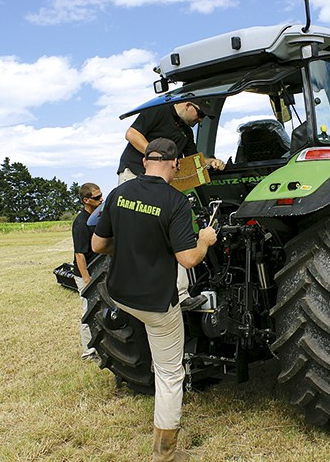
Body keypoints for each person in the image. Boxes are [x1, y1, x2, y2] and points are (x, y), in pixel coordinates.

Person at [93, 138, 218, 461]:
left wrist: (132, 252)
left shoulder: (118, 194)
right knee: (169, 374)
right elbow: (189, 259)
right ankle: (165, 454)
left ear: (146, 161)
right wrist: (204, 240)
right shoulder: (176, 201)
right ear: (175, 164)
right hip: (156, 304)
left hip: (121, 294)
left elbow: (97, 245)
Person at [117, 100, 225, 311]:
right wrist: (159, 158)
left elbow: (194, 159)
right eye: (200, 114)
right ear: (187, 105)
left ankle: (180, 296)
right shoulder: (158, 111)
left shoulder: (186, 132)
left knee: (170, 231)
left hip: (160, 184)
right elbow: (131, 134)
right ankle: (128, 289)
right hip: (134, 175)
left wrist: (211, 161)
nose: (200, 120)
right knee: (134, 233)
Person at [72, 182, 103, 360]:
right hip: (86, 272)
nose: (101, 199)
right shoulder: (81, 223)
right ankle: (88, 352)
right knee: (88, 310)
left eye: (101, 195)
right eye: (97, 198)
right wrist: (86, 280)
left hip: (98, 270)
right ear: (86, 200)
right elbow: (80, 255)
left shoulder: (99, 217)